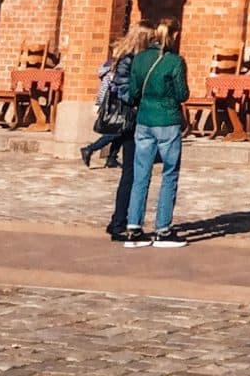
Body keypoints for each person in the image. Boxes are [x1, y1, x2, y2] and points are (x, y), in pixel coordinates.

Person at [121, 17, 189, 249]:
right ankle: (163, 229)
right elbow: (182, 94)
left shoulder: (140, 59)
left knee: (141, 175)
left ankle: (133, 228)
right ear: (174, 35)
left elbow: (133, 91)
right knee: (169, 174)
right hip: (167, 120)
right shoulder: (175, 61)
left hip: (144, 120)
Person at [81, 25, 148, 170]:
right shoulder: (128, 57)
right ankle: (90, 149)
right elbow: (114, 82)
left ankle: (111, 158)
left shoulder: (128, 54)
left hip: (119, 97)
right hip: (120, 99)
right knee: (118, 130)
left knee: (124, 130)